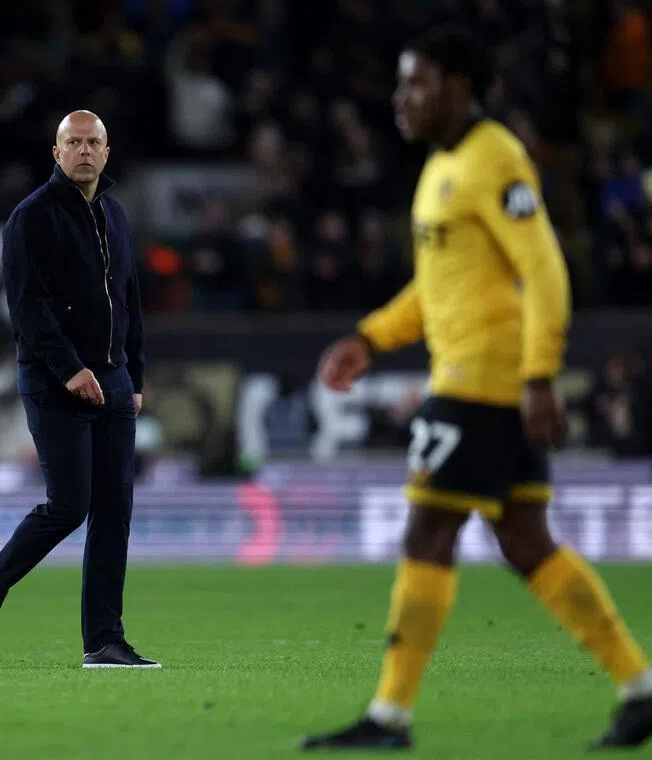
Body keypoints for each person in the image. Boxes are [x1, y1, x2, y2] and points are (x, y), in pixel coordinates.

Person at [301, 26, 652, 750]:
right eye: (402, 84)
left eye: (417, 83)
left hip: (481, 384)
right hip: (479, 380)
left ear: (460, 87)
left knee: (428, 530)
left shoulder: (494, 159)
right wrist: (370, 338)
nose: (403, 99)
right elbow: (438, 291)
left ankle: (388, 717)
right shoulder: (441, 168)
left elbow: (547, 268)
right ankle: (641, 687)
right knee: (527, 543)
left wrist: (540, 377)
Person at [0, 110, 157, 669]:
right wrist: (70, 368)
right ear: (56, 152)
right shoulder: (32, 218)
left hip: (114, 383)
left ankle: (104, 641)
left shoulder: (115, 216)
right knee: (69, 505)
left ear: (107, 153)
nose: (85, 151)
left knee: (114, 509)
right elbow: (27, 307)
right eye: (74, 143)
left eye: (94, 142)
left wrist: (134, 377)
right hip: (54, 383)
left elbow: (130, 301)